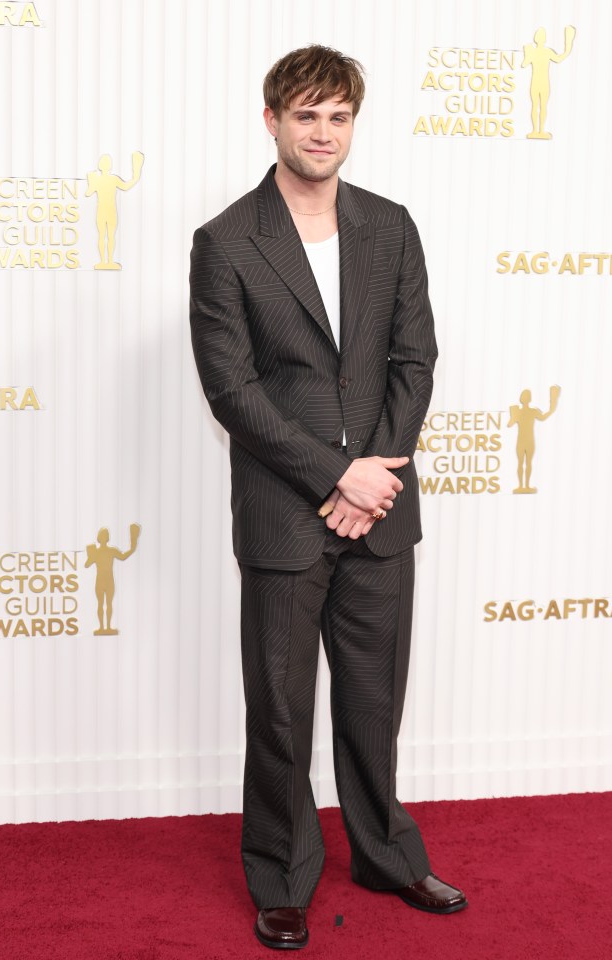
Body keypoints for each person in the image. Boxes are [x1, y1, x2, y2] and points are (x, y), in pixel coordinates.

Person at [189, 44, 467, 951]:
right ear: (271, 121)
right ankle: (279, 875)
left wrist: (375, 476)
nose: (323, 132)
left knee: (374, 700)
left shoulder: (392, 227)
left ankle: (386, 852)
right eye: (305, 115)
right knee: (277, 705)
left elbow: (412, 361)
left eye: (338, 116)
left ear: (354, 124)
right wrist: (332, 475)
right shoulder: (227, 241)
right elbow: (234, 391)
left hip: (379, 510)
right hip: (285, 512)